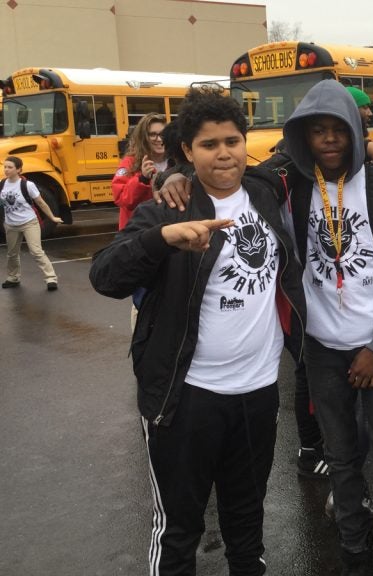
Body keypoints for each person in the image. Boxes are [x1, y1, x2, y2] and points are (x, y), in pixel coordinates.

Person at [89, 87, 306, 576]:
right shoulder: (168, 208)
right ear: (188, 151)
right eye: (209, 144)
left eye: (232, 140)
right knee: (179, 529)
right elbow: (104, 276)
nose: (224, 152)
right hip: (186, 397)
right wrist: (160, 239)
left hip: (257, 392)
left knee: (246, 519)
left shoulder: (267, 192)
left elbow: (317, 148)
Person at [281, 79, 373, 576]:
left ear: (354, 131)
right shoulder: (295, 187)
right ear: (303, 139)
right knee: (341, 458)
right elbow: (246, 173)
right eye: (316, 131)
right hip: (322, 348)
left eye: (338, 129)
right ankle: (354, 549)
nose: (329, 140)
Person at [1, 156, 63, 291]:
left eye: (10, 167)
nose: (6, 169)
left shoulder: (27, 185)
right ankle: (13, 278)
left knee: (36, 251)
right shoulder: (2, 184)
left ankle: (51, 279)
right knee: (12, 254)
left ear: (19, 170)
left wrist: (52, 217)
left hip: (29, 222)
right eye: (5, 167)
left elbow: (41, 202)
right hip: (11, 225)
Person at [112, 112, 168, 230]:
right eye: (153, 135)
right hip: (137, 232)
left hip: (168, 232)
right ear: (143, 138)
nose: (159, 139)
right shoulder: (130, 162)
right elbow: (121, 198)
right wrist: (142, 179)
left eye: (163, 134)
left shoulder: (176, 161)